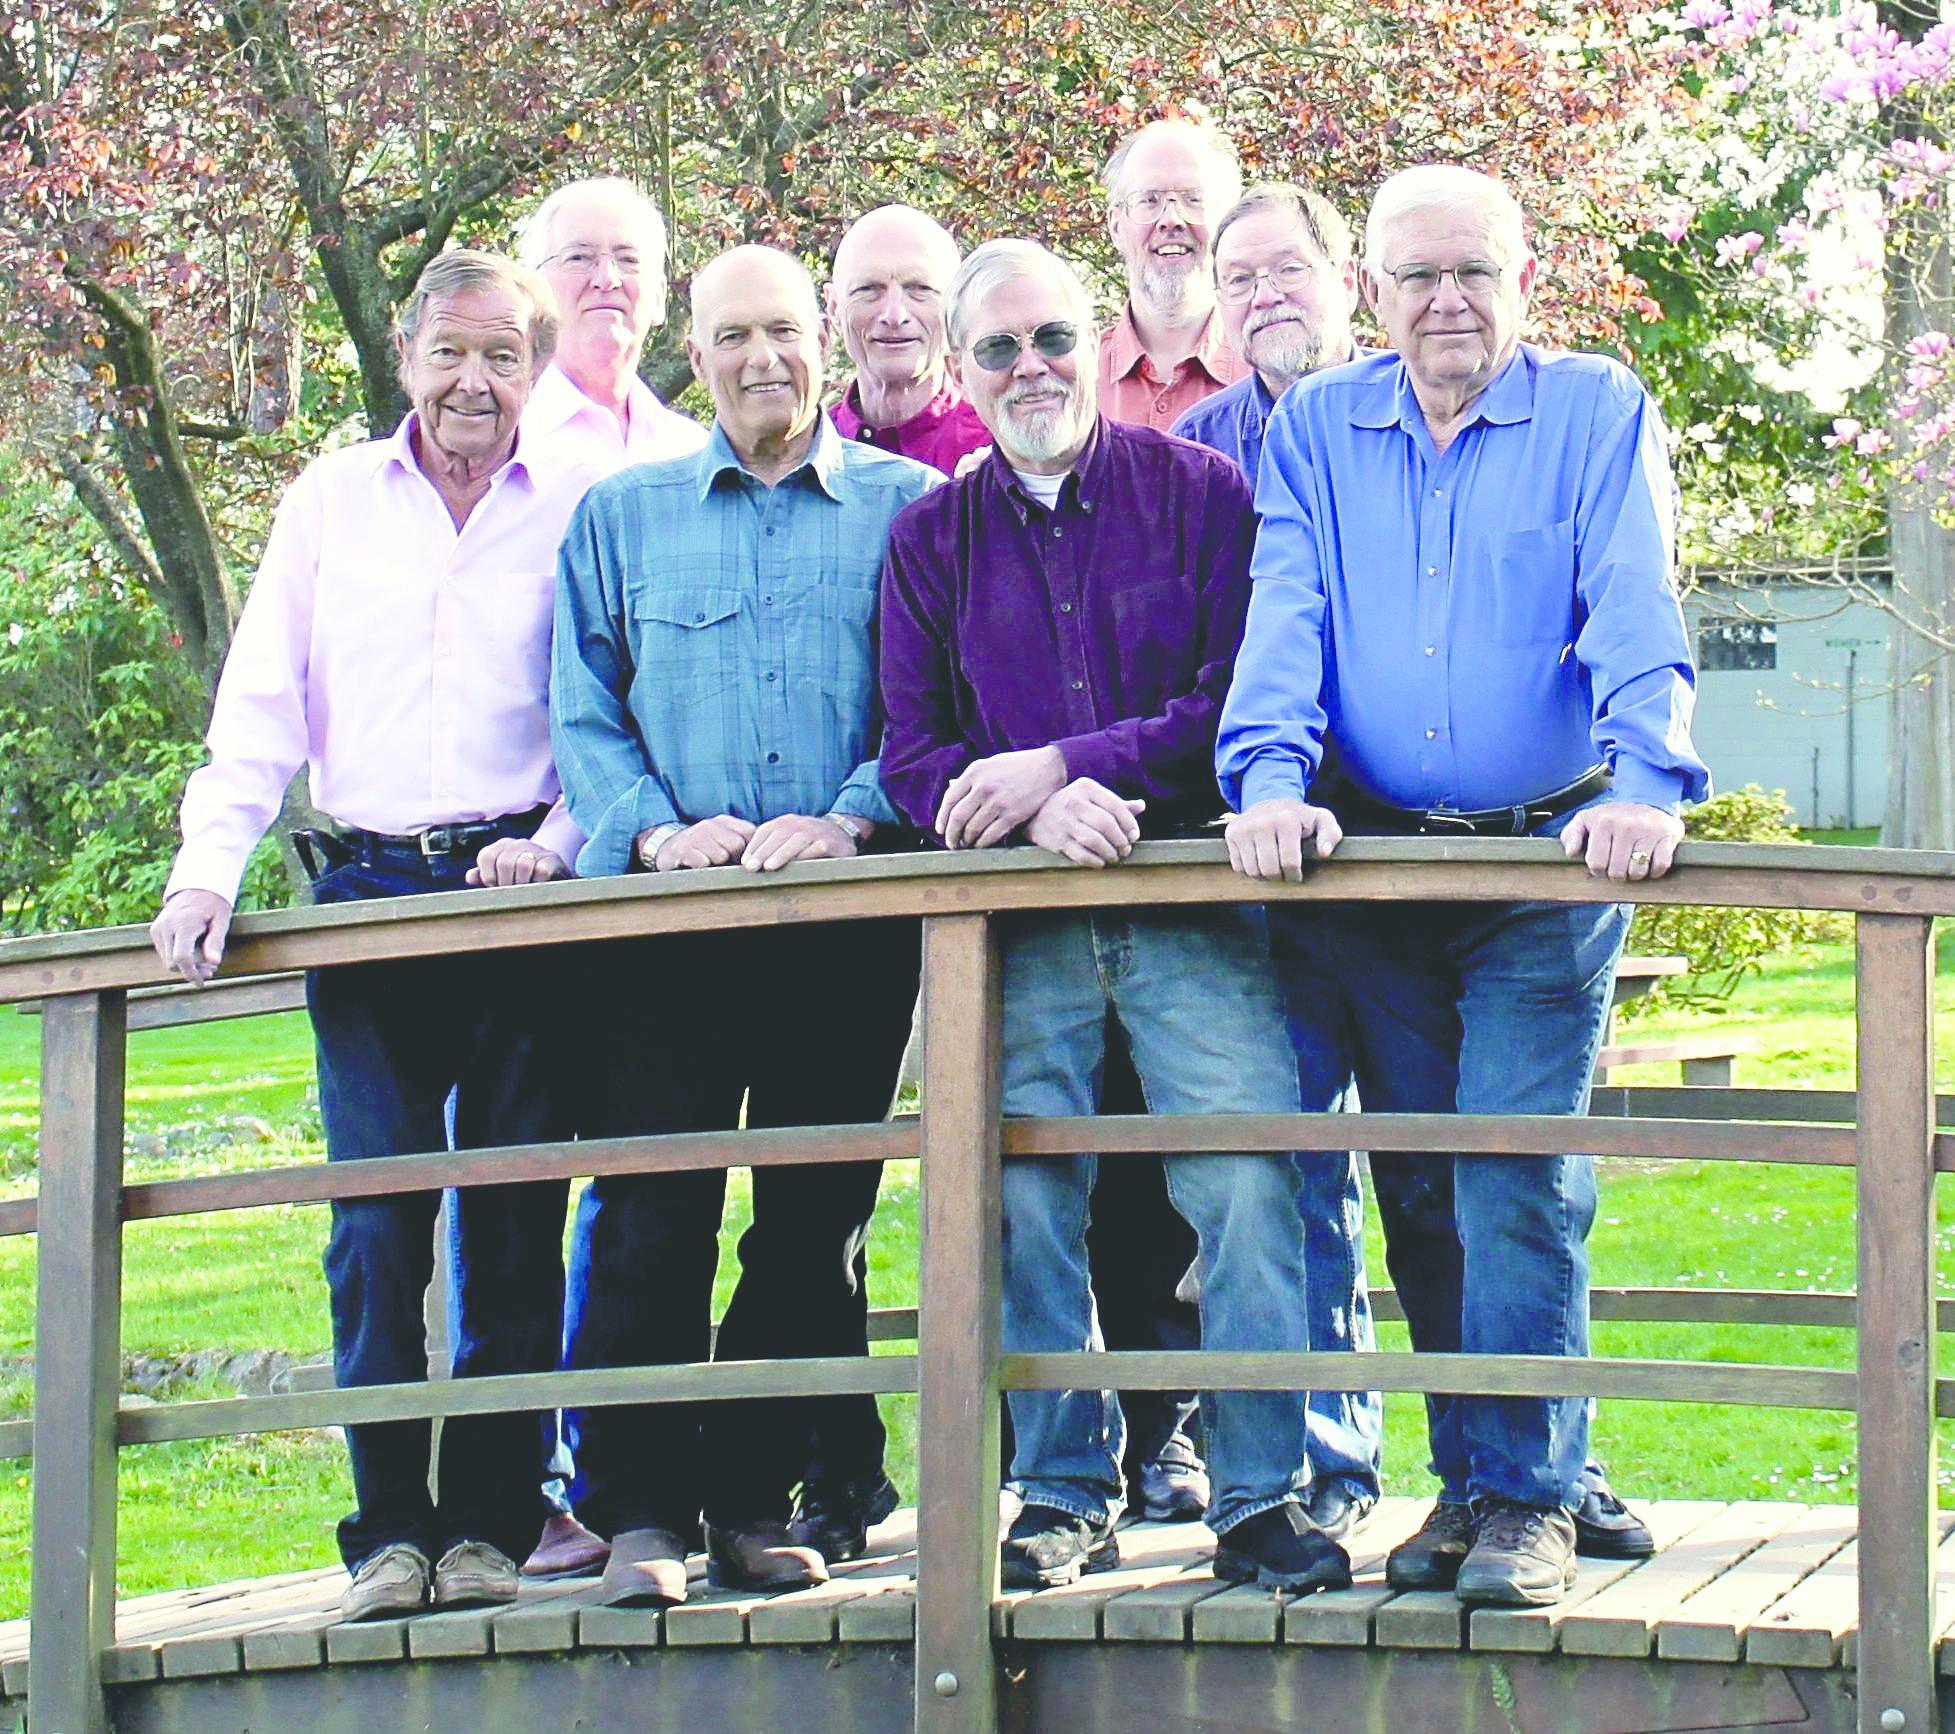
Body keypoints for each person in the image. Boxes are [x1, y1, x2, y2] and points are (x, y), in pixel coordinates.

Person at [1217, 164, 1709, 1607]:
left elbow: (1633, 600)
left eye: (1472, 272)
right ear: (1368, 290)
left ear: (1521, 281)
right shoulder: (1317, 428)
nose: (1445, 300)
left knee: (1513, 1173)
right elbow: (1285, 608)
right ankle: (1473, 1480)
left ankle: (1530, 1498)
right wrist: (1265, 779)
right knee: (1423, 1183)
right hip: (1379, 867)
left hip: (1539, 864)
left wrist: (1643, 781)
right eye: (1416, 275)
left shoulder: (1593, 410)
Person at [879, 238, 1354, 1595]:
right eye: (996, 349)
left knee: (1245, 1182)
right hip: (1019, 927)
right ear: (963, 371)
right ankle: (1060, 1490)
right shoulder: (928, 539)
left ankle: (1259, 1497)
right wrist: (1030, 811)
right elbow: (909, 752)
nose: (1029, 368)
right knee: (1021, 1200)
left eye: (1050, 339)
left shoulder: (1198, 493)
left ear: (1091, 342)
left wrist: (1065, 764)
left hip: (1185, 900)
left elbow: (1234, 701)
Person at [150, 250, 585, 1623]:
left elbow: (603, 705)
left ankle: (493, 1526)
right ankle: (389, 1532)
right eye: (449, 352)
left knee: (513, 1218)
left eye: (502, 355)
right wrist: (206, 871)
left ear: (536, 369)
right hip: (369, 894)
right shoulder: (331, 500)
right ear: (405, 359)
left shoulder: (576, 503)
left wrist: (561, 837)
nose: (474, 381)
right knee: (376, 1229)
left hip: (518, 894)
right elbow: (260, 704)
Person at [550, 243, 937, 1608]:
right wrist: (657, 832)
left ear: (821, 338)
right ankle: (641, 1512)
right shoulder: (623, 515)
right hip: (671, 927)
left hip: (843, 927)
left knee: (811, 1223)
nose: (762, 358)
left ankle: (755, 1501)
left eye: (782, 331)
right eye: (732, 337)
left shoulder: (909, 509)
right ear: (695, 355)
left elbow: (934, 704)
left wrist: (848, 817)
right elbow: (582, 707)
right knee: (651, 1214)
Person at [500, 175, 708, 1584]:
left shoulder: (687, 450)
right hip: (513, 863)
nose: (606, 281)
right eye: (577, 257)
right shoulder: (496, 439)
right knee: (510, 1189)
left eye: (630, 258)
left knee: (649, 1184)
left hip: (642, 865)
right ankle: (516, 1491)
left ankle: (636, 1482)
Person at [1170, 182, 1379, 1545]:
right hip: (1260, 850)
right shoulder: (1196, 456)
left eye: (1286, 270)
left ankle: (1515, 1463)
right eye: (1236, 277)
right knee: (1288, 1160)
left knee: (1455, 1166)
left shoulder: (1392, 416)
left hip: (1401, 842)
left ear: (1345, 278)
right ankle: (1318, 1458)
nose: (1262, 296)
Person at [1096, 117, 1246, 432]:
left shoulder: (1268, 374)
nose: (1171, 219)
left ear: (1228, 222)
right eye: (1149, 200)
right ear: (1116, 227)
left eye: (1194, 199)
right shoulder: (1074, 378)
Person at [828, 204, 988, 472]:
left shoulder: (1001, 454)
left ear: (957, 307)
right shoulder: (801, 458)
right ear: (833, 307)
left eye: (920, 289)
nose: (895, 315)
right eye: (868, 289)